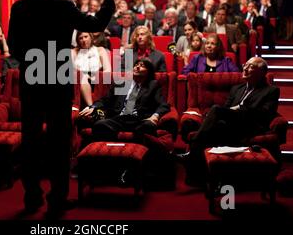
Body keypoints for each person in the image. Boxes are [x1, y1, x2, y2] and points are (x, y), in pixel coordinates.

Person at [7, 0, 115, 217]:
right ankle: (57, 199)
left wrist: (34, 60)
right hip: (57, 79)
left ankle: (32, 197)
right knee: (59, 142)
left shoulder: (19, 7)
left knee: (30, 141)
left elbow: (13, 46)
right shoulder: (63, 5)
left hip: (32, 80)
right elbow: (97, 24)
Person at [179, 57, 280, 185]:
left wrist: (239, 109)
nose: (245, 68)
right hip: (230, 124)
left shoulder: (271, 90)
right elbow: (226, 109)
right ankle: (205, 178)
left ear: (262, 72)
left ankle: (192, 152)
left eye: (251, 67)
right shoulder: (237, 88)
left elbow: (265, 113)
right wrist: (228, 112)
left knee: (215, 110)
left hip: (250, 125)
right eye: (245, 65)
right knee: (219, 126)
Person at [78, 58, 170, 144]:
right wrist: (93, 107)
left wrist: (155, 116)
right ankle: (114, 151)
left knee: (148, 127)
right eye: (136, 65)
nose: (137, 67)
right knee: (100, 125)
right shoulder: (121, 84)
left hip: (140, 120)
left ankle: (139, 152)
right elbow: (105, 100)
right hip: (119, 119)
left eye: (142, 66)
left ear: (148, 71)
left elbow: (163, 105)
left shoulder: (152, 85)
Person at [72, 32, 111, 106]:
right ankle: (90, 107)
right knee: (81, 77)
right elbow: (72, 69)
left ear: (91, 37)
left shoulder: (100, 50)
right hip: (78, 80)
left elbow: (108, 70)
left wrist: (96, 76)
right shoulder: (74, 51)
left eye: (86, 37)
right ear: (77, 40)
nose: (83, 40)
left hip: (97, 80)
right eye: (80, 38)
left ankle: (91, 108)